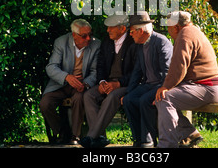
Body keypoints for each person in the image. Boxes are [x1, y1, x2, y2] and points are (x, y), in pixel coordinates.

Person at [154, 11, 218, 148]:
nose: (169, 33)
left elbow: (179, 68)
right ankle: (189, 133)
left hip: (207, 87)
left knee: (164, 97)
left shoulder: (184, 35)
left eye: (169, 29)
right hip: (207, 86)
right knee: (161, 98)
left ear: (175, 27)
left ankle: (167, 146)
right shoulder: (192, 31)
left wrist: (165, 87)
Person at [39, 19, 101, 145]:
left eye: (90, 34)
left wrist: (85, 84)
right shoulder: (61, 42)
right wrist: (67, 77)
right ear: (74, 35)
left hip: (81, 85)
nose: (88, 38)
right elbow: (51, 67)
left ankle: (75, 135)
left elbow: (96, 71)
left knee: (79, 99)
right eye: (84, 36)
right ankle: (62, 131)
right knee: (45, 104)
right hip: (61, 84)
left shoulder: (96, 45)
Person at [80, 14, 136, 148]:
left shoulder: (133, 42)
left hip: (126, 85)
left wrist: (119, 83)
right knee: (88, 95)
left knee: (111, 97)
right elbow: (100, 64)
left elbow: (136, 72)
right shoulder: (107, 41)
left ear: (122, 29)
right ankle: (100, 138)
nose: (108, 30)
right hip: (108, 82)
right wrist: (102, 82)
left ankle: (91, 136)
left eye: (111, 27)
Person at [122, 11, 173, 147]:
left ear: (141, 31)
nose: (130, 35)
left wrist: (162, 89)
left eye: (132, 32)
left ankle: (152, 140)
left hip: (162, 85)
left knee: (145, 100)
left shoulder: (161, 42)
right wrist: (128, 93)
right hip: (148, 85)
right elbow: (137, 72)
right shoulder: (140, 46)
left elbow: (167, 71)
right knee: (128, 100)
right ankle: (139, 139)